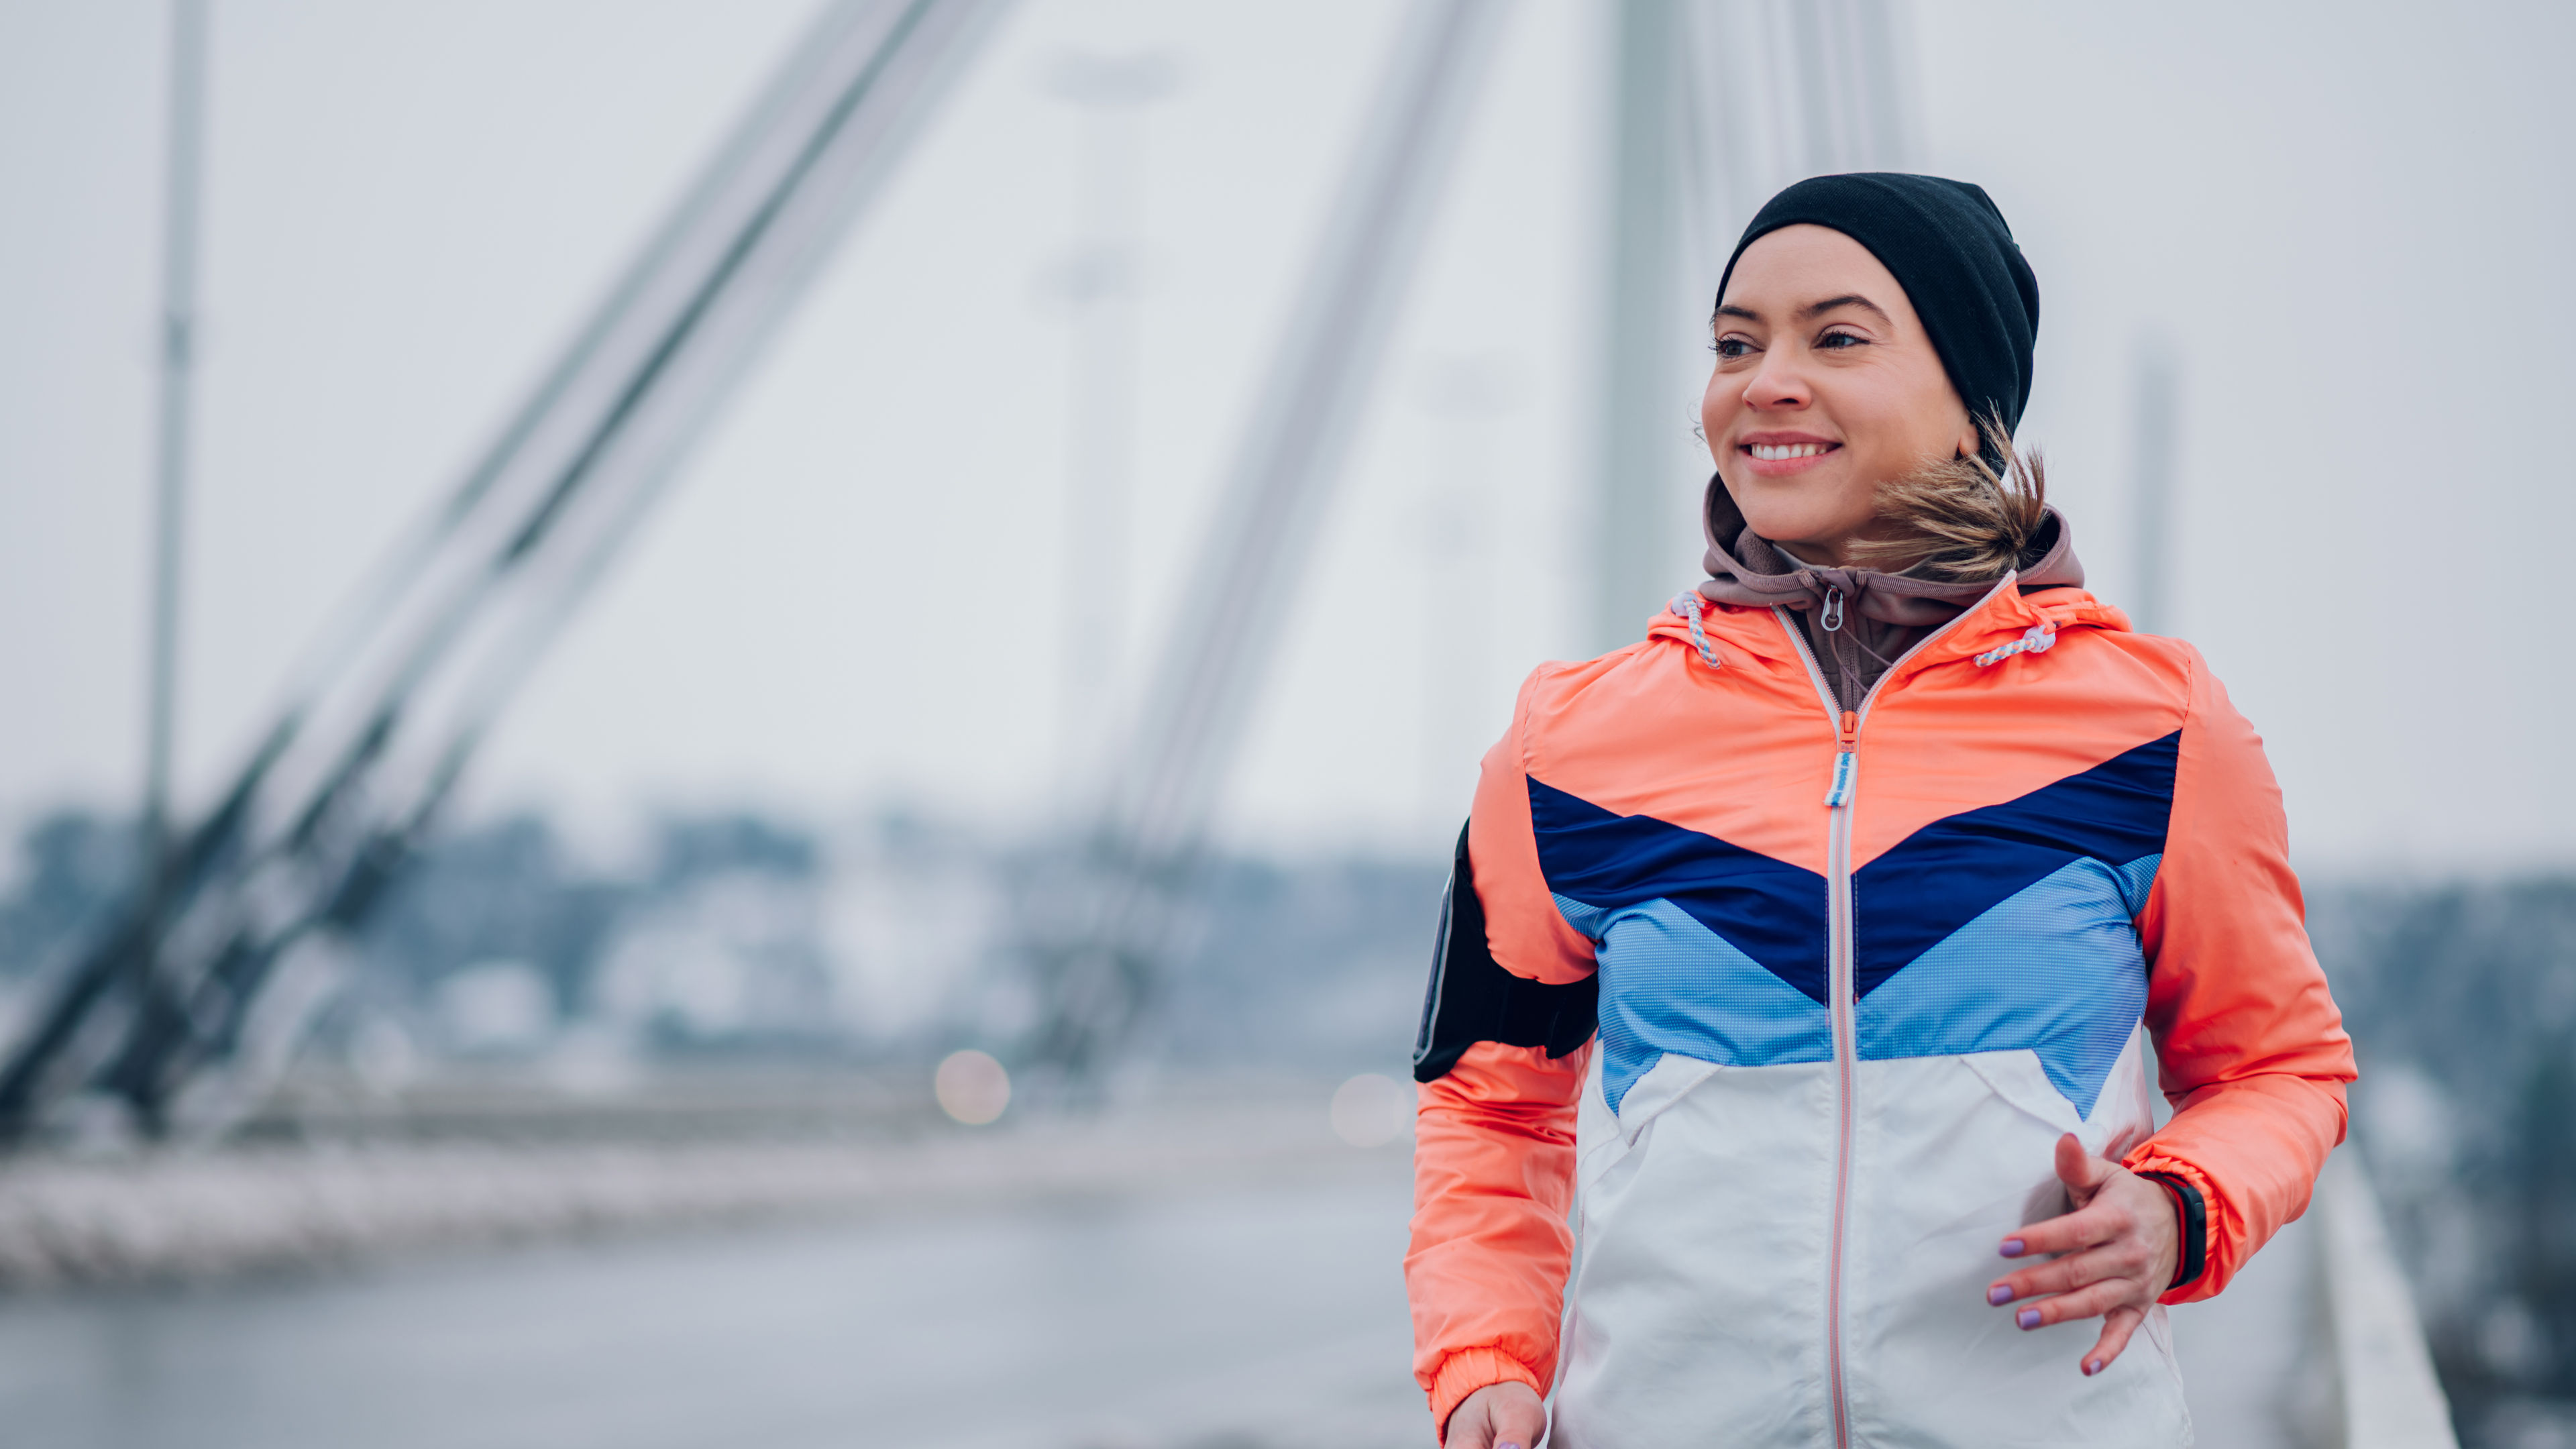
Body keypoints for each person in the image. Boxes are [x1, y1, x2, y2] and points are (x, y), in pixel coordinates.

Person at [1404, 173, 2356, 1448]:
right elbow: (1490, 1099)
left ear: (1975, 408)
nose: (1766, 380)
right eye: (1736, 344)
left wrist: (2181, 1209)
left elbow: (2279, 1071)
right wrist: (1486, 1364)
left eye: (1835, 337)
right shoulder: (1568, 743)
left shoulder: (2155, 730)